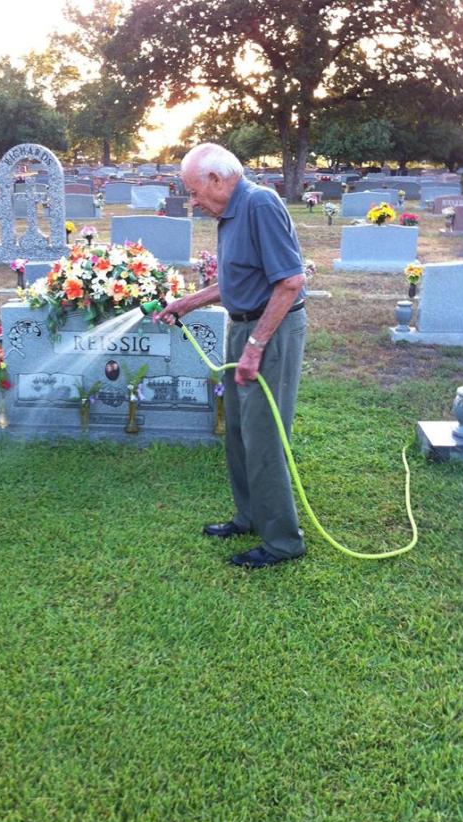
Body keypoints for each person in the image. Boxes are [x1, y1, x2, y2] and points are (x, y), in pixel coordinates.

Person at [155, 143, 307, 569]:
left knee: (263, 435)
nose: (193, 201)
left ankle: (282, 542)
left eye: (195, 191)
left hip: (271, 331)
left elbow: (290, 282)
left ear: (217, 179)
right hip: (245, 325)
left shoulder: (259, 205)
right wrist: (188, 303)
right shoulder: (229, 215)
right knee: (239, 430)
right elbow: (240, 280)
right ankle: (250, 515)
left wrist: (256, 346)